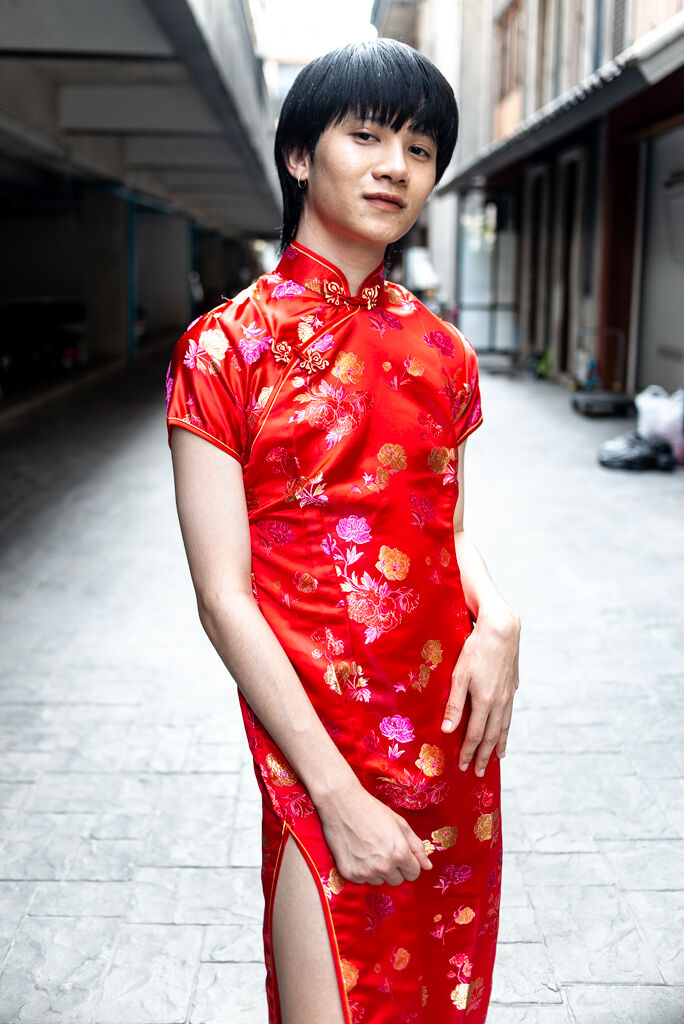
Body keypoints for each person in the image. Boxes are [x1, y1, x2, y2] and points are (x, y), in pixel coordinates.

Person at [164, 38, 520, 1024]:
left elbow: (444, 522)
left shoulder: (442, 351)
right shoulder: (224, 348)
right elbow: (220, 596)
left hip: (453, 747)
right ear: (296, 156)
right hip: (318, 750)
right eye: (365, 135)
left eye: (418, 145)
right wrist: (337, 794)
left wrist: (497, 613)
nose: (395, 164)